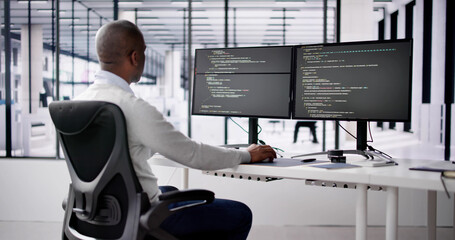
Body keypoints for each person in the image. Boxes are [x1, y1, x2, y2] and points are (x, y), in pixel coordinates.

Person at [75, 20, 277, 240]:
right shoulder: (132, 107)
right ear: (135, 57)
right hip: (140, 215)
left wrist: (154, 143)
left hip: (99, 210)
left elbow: (113, 152)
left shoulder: (77, 104)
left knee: (169, 188)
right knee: (240, 214)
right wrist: (247, 154)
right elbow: (192, 154)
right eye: (143, 52)